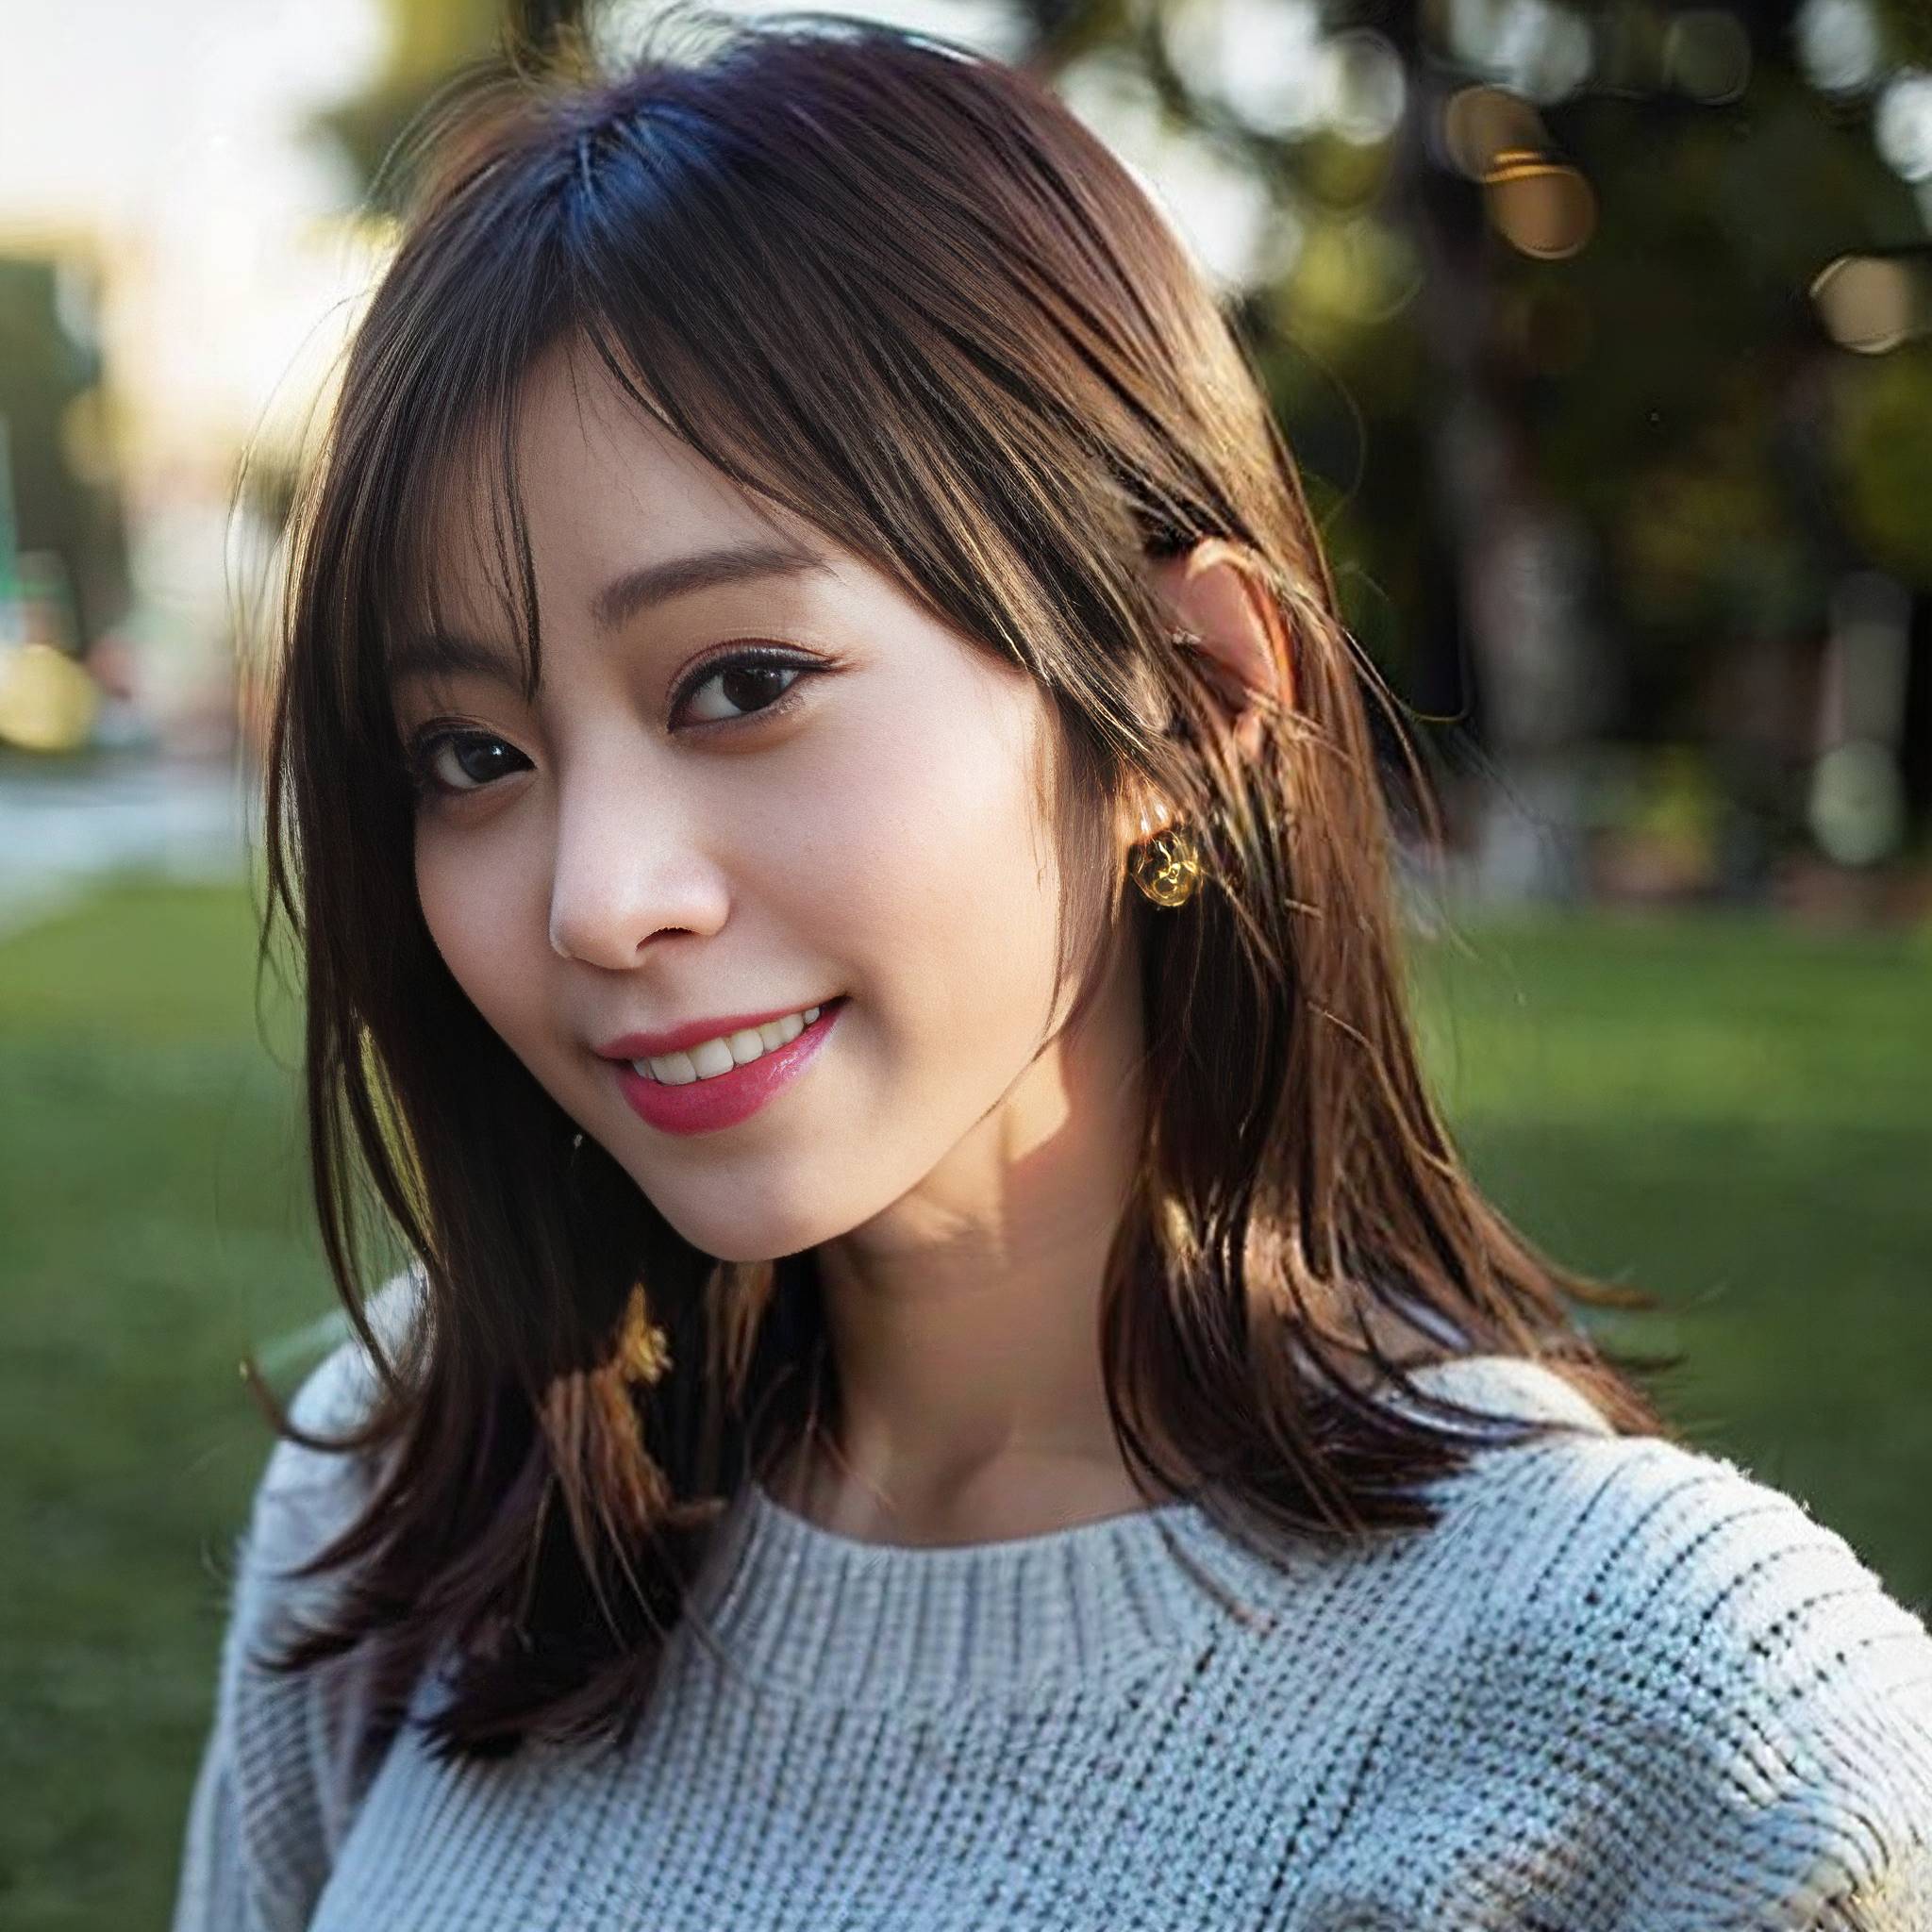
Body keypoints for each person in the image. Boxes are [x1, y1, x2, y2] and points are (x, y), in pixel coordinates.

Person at [171, 10, 1932, 1928]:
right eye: (475, 756)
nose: (596, 900)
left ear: (1186, 705)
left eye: (741, 684)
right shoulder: (421, 1471)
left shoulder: (1675, 1720)